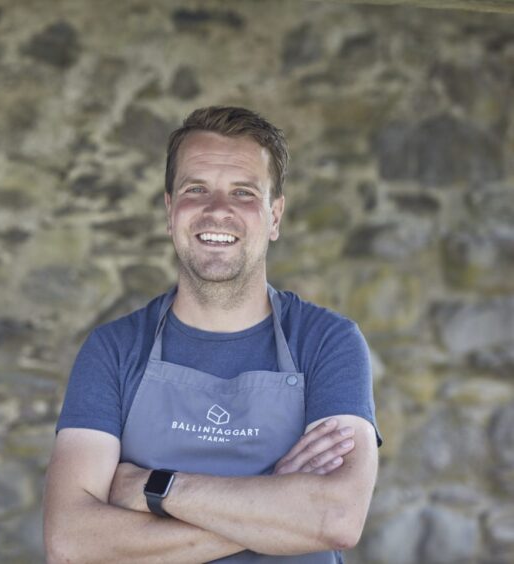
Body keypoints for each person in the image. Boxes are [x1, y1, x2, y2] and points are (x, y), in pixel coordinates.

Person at [43, 106, 381, 563]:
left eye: (243, 193)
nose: (217, 210)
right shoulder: (114, 349)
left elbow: (337, 519)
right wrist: (277, 504)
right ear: (169, 210)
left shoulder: (327, 341)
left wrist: (154, 488)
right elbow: (71, 543)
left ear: (274, 216)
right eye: (196, 189)